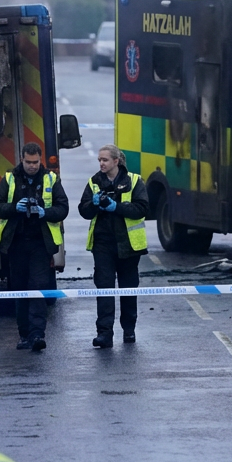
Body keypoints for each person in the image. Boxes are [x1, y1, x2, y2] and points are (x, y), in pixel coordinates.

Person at [0, 142, 69, 352]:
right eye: (28, 162)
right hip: (16, 244)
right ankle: (24, 334)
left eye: (35, 162)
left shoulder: (51, 179)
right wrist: (15, 208)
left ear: (40, 160)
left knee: (39, 288)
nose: (32, 166)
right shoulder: (10, 178)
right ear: (22, 159)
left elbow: (63, 208)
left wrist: (45, 211)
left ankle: (37, 335)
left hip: (40, 244)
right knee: (20, 290)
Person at [78, 144, 148, 348]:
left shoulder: (134, 181)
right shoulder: (94, 182)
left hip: (128, 245)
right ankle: (104, 333)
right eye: (99, 160)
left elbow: (142, 209)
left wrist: (116, 207)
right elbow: (84, 211)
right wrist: (93, 204)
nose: (101, 163)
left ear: (116, 162)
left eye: (105, 160)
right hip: (103, 244)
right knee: (104, 287)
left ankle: (129, 329)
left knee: (128, 288)